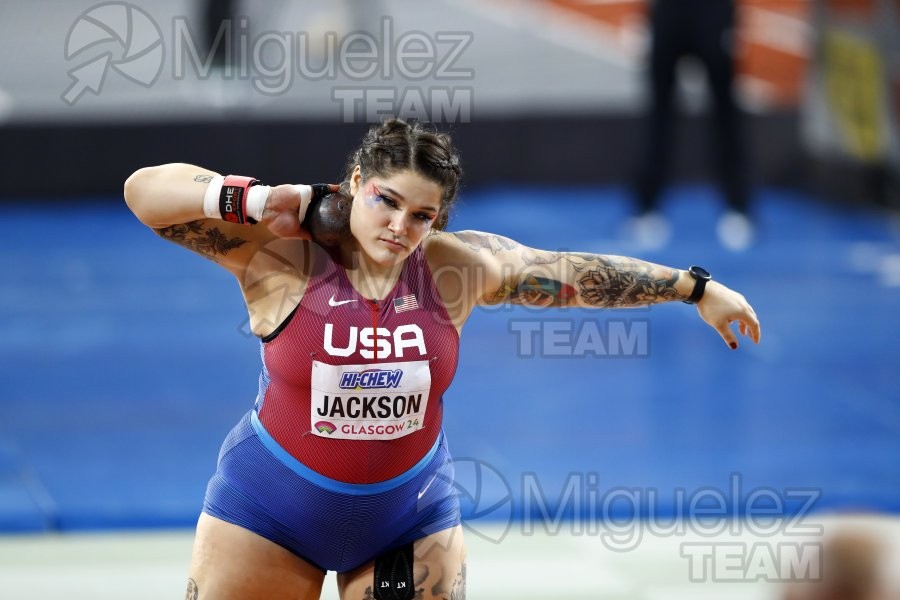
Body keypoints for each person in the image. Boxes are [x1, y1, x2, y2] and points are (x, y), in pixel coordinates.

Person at [124, 118, 761, 599]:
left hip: (408, 515)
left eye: (422, 214)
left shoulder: (457, 270)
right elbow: (143, 191)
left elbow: (570, 275)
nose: (400, 225)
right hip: (270, 507)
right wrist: (252, 200)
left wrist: (695, 288)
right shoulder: (279, 256)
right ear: (353, 185)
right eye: (386, 201)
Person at [630, 0, 754, 251]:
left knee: (725, 112)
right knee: (658, 112)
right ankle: (646, 208)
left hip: (712, 10)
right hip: (668, 10)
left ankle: (738, 208)